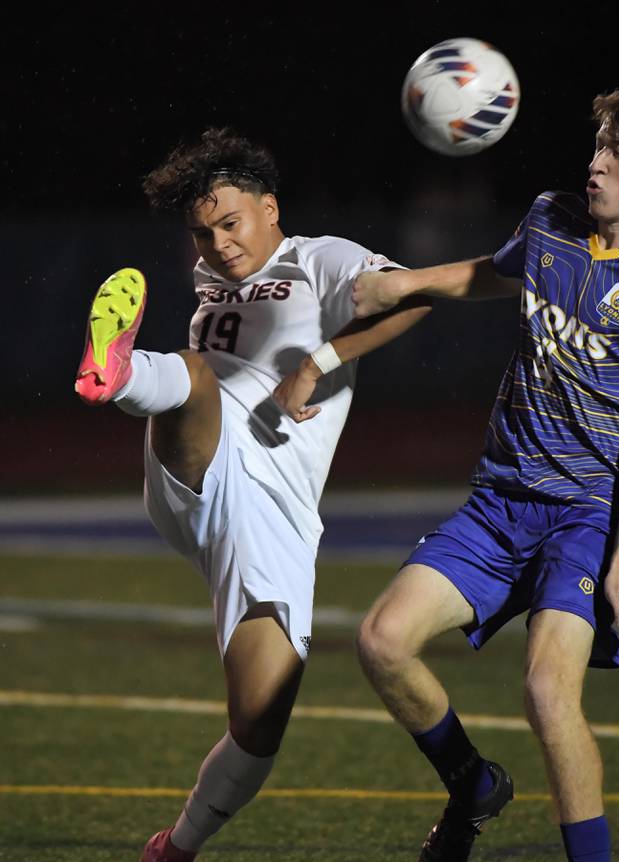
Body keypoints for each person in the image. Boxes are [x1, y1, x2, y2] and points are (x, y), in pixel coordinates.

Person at [346, 85, 619, 861]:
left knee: (549, 694)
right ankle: (473, 784)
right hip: (496, 506)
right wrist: (407, 283)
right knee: (382, 641)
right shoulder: (551, 217)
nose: (596, 163)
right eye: (599, 145)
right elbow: (497, 272)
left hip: (581, 519)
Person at [74, 127, 430, 861]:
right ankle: (119, 373)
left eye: (229, 224)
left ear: (271, 208)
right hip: (205, 452)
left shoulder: (319, 258)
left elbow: (416, 297)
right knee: (196, 377)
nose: (218, 245)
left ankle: (177, 847)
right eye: (202, 234)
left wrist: (322, 359)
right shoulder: (212, 277)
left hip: (272, 514)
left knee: (260, 723)